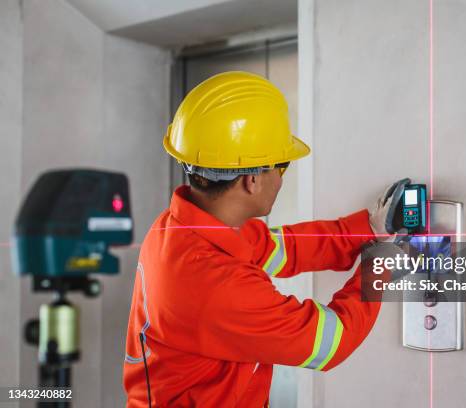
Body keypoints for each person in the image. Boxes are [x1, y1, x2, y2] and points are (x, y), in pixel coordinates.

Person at [123, 71, 394, 407]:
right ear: (252, 179)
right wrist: (380, 265)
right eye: (282, 166)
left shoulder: (183, 228)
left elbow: (283, 248)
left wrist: (368, 228)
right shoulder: (216, 283)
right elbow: (330, 343)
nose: (281, 179)